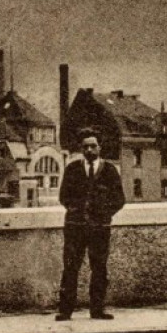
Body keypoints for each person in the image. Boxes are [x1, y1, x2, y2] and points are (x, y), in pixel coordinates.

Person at [56, 132, 127, 321]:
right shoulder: (72, 169)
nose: (89, 149)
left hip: (100, 228)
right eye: (85, 146)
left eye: (92, 146)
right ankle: (65, 310)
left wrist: (104, 215)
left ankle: (97, 309)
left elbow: (119, 199)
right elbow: (64, 196)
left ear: (99, 148)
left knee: (99, 268)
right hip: (74, 228)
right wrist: (75, 211)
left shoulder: (110, 170)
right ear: (81, 149)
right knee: (70, 267)